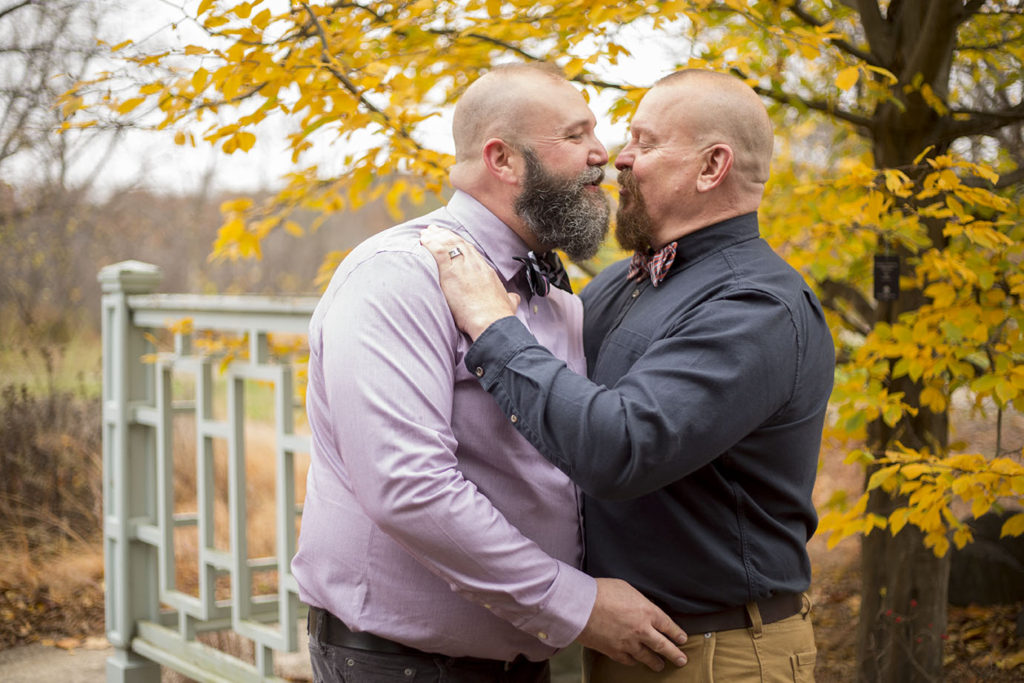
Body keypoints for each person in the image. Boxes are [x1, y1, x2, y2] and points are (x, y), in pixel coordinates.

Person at [420, 68, 836, 682]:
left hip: (722, 655)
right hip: (626, 644)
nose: (620, 158)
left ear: (710, 167)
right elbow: (551, 412)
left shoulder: (756, 308)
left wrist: (490, 322)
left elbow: (618, 447)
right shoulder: (622, 283)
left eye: (644, 142)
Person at [291, 63, 688, 683]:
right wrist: (577, 607)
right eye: (576, 134)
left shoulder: (557, 298)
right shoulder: (400, 276)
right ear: (502, 159)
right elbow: (409, 486)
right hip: (402, 668)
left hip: (518, 662)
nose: (602, 155)